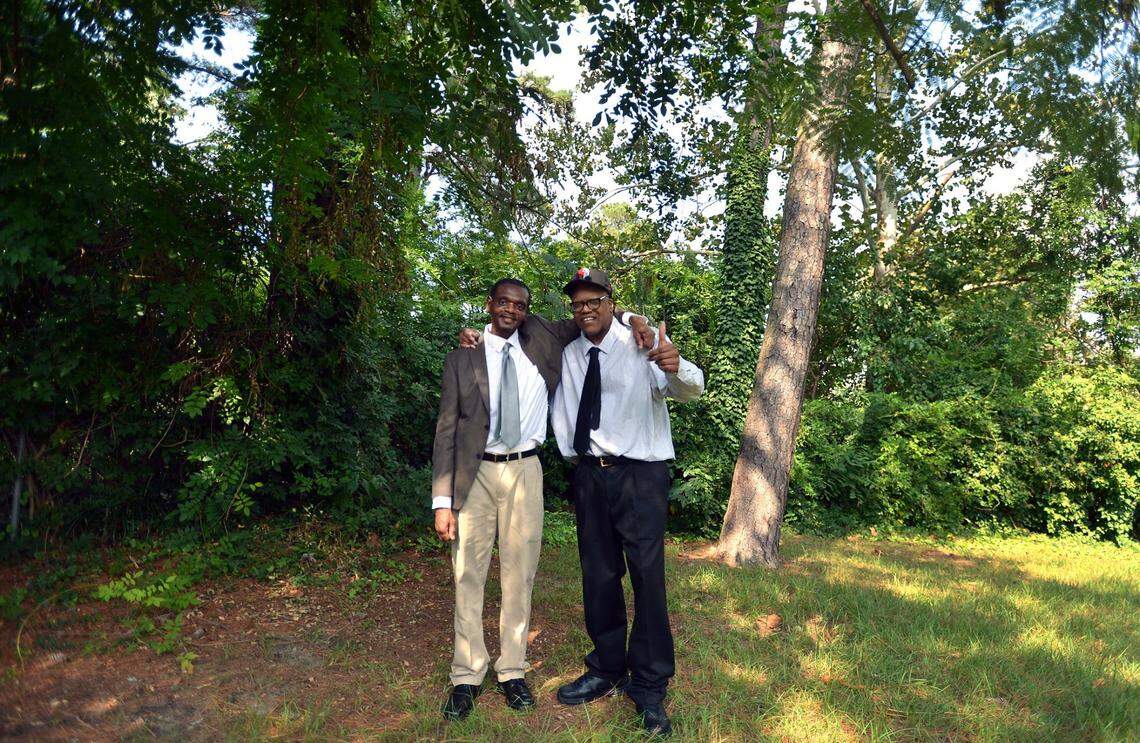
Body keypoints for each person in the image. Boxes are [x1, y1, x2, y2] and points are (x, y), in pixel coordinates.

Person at [431, 278, 651, 721]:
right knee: (467, 575)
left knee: (520, 574)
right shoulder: (462, 357)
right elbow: (447, 428)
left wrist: (636, 319)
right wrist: (442, 500)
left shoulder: (545, 340)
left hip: (525, 471)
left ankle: (512, 670)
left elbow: (595, 315)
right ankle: (467, 674)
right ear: (490, 304)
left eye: (520, 305)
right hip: (474, 474)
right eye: (504, 303)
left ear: (527, 312)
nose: (511, 310)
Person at [551, 267, 704, 738]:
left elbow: (691, 389)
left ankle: (650, 686)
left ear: (611, 302)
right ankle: (607, 667)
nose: (586, 309)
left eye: (594, 300)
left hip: (640, 475)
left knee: (646, 577)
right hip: (590, 476)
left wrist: (676, 364)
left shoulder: (642, 342)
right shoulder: (571, 352)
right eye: (578, 303)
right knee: (598, 575)